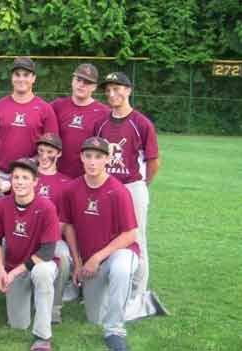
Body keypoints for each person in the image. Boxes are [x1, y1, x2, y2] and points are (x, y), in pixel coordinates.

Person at [0, 56, 59, 305]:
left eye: (26, 74)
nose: (21, 78)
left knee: (31, 232)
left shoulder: (44, 108)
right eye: (17, 74)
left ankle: (33, 285)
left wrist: (30, 170)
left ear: (33, 78)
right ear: (12, 77)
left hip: (30, 177)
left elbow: (51, 146)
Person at [95, 72, 166, 320]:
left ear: (128, 90)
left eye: (117, 88)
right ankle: (107, 289)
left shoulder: (141, 122)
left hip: (133, 186)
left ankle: (137, 296)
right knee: (106, 238)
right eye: (108, 89)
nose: (112, 93)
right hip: (107, 186)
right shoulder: (102, 123)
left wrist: (142, 184)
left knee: (137, 240)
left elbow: (154, 161)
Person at [60, 137, 140, 351]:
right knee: (95, 317)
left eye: (98, 157)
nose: (92, 162)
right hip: (90, 262)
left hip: (118, 253)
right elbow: (68, 227)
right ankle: (142, 305)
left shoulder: (118, 191)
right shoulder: (71, 189)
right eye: (88, 156)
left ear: (107, 159)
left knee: (121, 269)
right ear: (81, 158)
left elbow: (130, 234)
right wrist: (78, 263)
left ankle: (115, 330)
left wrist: (96, 257)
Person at [0, 158, 59, 351]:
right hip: (14, 266)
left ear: (35, 182)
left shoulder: (46, 207)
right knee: (18, 324)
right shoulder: (2, 204)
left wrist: (12, 274)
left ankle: (43, 337)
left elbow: (47, 252)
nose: (19, 182)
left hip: (41, 263)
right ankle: (32, 300)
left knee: (42, 273)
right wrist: (1, 270)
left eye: (25, 178)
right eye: (16, 177)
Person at [34, 133, 72, 323]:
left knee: (64, 256)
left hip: (53, 238)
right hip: (26, 236)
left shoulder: (66, 183)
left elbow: (64, 220)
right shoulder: (27, 176)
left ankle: (55, 306)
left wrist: (47, 239)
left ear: (59, 154)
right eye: (41, 151)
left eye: (49, 151)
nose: (44, 156)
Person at [51, 63, 109, 179]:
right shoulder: (57, 106)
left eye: (87, 82)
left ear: (94, 87)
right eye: (78, 80)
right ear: (72, 81)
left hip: (87, 177)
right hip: (58, 174)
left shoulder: (104, 113)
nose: (81, 85)